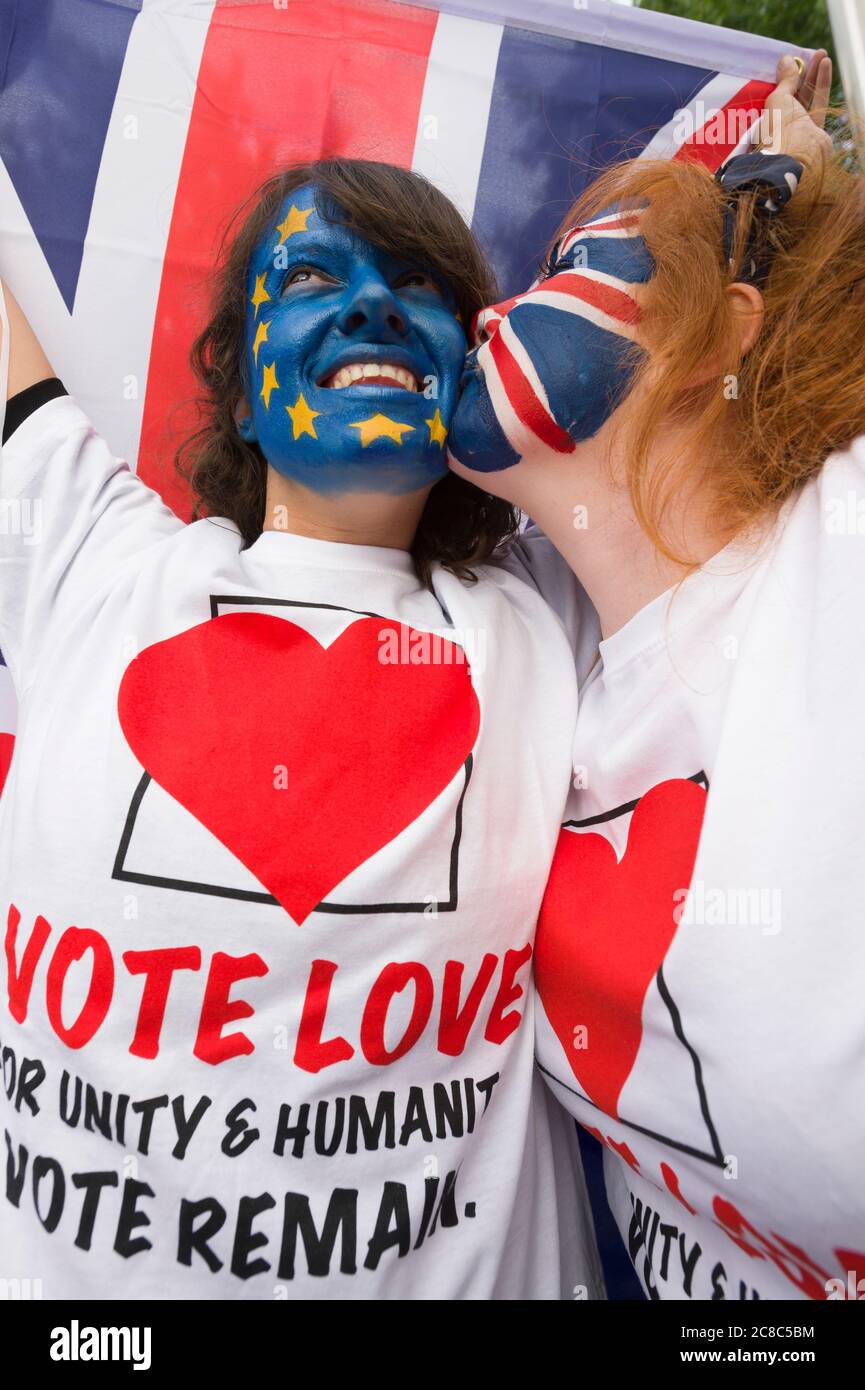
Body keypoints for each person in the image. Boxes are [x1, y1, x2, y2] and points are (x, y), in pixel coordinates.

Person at [0, 158, 602, 1300]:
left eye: (419, 285)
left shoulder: (559, 602)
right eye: (316, 275)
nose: (372, 306)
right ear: (238, 388)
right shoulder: (86, 557)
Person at [449, 54, 865, 1300]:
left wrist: (787, 169)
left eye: (568, 274)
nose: (487, 316)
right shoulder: (535, 630)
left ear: (721, 339)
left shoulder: (833, 549)